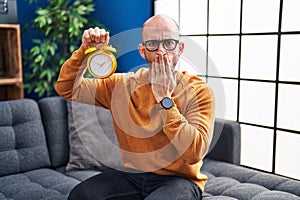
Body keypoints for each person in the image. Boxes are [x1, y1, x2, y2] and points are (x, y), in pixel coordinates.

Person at [56, 15, 214, 200]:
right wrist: (84, 51)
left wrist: (164, 99)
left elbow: (194, 152)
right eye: (153, 43)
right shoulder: (121, 85)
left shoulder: (198, 90)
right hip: (133, 175)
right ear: (142, 51)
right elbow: (66, 88)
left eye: (169, 43)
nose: (161, 52)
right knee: (80, 196)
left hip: (180, 180)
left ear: (180, 49)